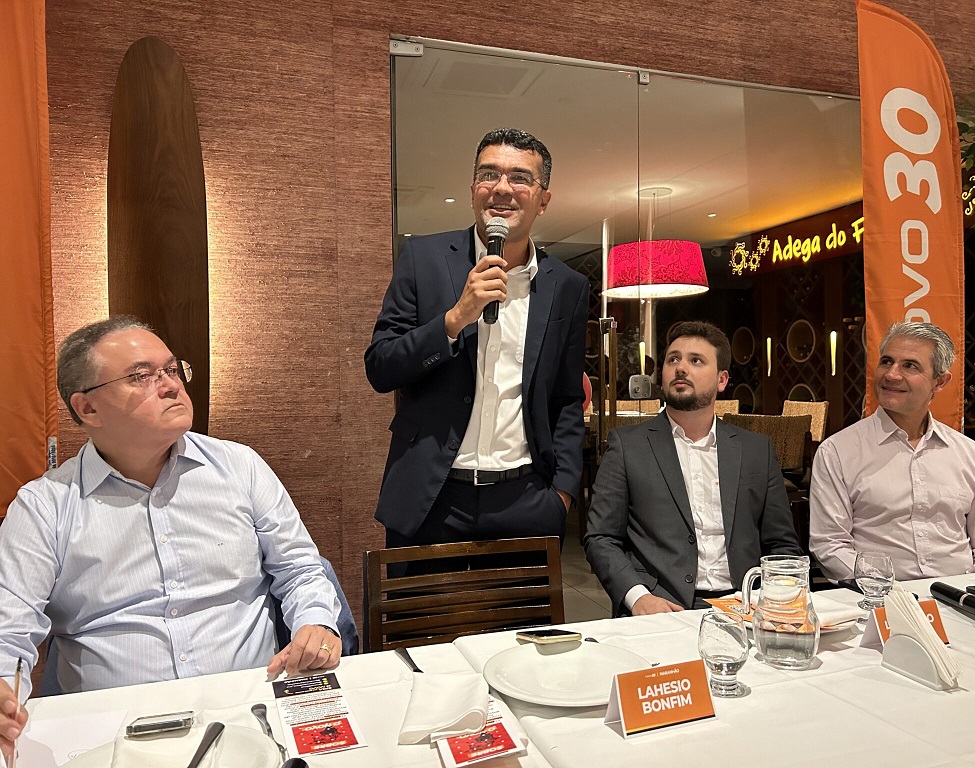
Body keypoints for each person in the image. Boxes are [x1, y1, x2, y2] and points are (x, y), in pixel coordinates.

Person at [0, 317, 346, 755]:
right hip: (114, 732)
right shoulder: (45, 504)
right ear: (87, 409)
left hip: (248, 710)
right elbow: (8, 624)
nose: (170, 386)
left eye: (171, 369)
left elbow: (300, 569)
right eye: (142, 376)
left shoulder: (239, 467)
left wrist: (315, 622)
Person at [365, 128, 588, 550]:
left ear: (543, 199)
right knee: (423, 618)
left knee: (525, 620)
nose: (502, 188)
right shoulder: (423, 259)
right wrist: (453, 319)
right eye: (489, 174)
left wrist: (562, 495)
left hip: (525, 499)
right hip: (432, 498)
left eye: (520, 178)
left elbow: (566, 400)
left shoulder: (568, 286)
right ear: (472, 190)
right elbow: (380, 366)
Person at [585, 321, 802, 614]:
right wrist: (638, 598)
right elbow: (601, 538)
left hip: (745, 606)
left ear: (722, 380)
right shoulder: (628, 446)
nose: (681, 368)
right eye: (673, 359)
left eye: (695, 360)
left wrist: (774, 598)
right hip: (661, 605)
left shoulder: (756, 450)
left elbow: (782, 544)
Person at [809, 321, 975, 581]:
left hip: (964, 599)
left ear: (939, 382)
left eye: (910, 365)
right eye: (886, 361)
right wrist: (889, 589)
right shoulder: (837, 452)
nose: (891, 375)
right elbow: (830, 545)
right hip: (879, 601)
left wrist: (967, 590)